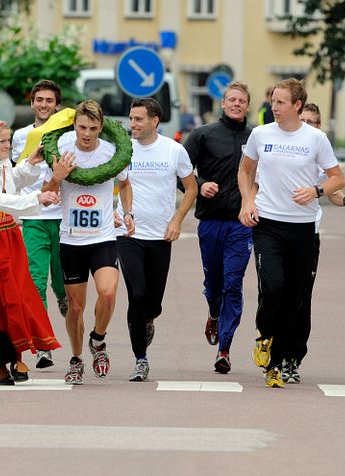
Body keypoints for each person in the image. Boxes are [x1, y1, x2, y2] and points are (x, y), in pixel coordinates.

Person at [238, 78, 344, 388]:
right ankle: (264, 336)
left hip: (302, 229)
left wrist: (316, 190)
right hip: (267, 223)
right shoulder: (260, 134)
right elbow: (245, 171)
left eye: (281, 102)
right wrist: (247, 201)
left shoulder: (315, 139)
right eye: (273, 100)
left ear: (297, 105)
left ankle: (277, 362)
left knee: (293, 299)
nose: (274, 106)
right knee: (272, 287)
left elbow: (337, 178)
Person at [0, 118, 62, 386]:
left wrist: (32, 162)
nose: (8, 145)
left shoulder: (3, 163)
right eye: (2, 141)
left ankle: (18, 355)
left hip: (8, 237)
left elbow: (14, 181)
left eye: (8, 140)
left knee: (17, 297)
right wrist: (36, 198)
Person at [42, 99, 134, 385]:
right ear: (74, 125)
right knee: (76, 307)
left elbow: (125, 182)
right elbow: (46, 193)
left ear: (100, 127)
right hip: (71, 239)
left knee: (108, 293)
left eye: (93, 128)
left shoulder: (110, 152)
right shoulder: (62, 149)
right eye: (82, 127)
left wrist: (127, 212)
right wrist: (57, 178)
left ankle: (98, 339)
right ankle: (77, 357)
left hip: (103, 236)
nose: (87, 133)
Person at [116, 98, 197, 381]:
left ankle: (149, 318)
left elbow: (191, 189)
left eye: (138, 119)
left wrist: (177, 221)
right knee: (136, 295)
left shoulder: (174, 151)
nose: (132, 124)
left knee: (153, 302)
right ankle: (141, 358)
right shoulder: (122, 150)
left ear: (154, 121)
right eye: (131, 118)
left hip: (161, 235)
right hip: (128, 234)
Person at [183, 81, 253, 374]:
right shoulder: (203, 135)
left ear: (248, 106)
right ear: (223, 104)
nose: (236, 104)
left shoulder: (257, 138)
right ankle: (213, 311)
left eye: (242, 101)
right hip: (211, 223)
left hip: (242, 224)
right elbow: (180, 172)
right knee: (214, 286)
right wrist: (200, 185)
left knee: (232, 284)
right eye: (231, 100)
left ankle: (224, 348)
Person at [11, 80, 67, 371]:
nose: (44, 105)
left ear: (57, 105)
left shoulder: (68, 134)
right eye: (39, 100)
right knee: (35, 284)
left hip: (64, 217)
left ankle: (63, 296)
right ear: (32, 103)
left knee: (62, 281)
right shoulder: (21, 136)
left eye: (49, 101)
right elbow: (13, 174)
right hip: (33, 216)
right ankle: (44, 347)